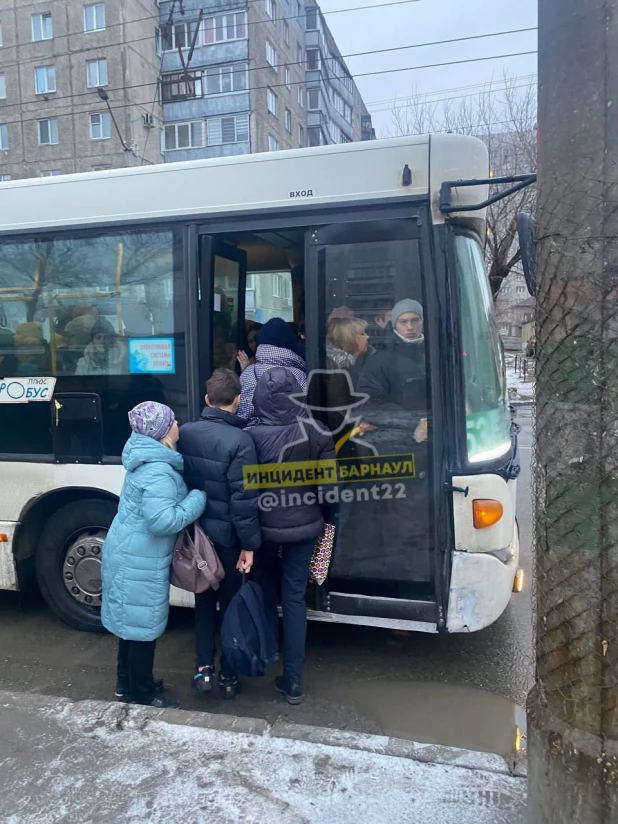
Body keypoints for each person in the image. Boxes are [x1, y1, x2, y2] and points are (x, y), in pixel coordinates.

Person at [101, 401, 206, 709]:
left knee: (129, 625)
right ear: (161, 432)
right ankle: (143, 693)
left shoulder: (144, 460)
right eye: (173, 421)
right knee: (142, 629)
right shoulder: (159, 470)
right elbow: (162, 521)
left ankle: (127, 684)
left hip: (128, 551)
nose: (178, 425)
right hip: (139, 558)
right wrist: (196, 499)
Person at [250, 367, 335, 705]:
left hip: (263, 530)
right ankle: (293, 681)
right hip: (305, 527)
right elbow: (329, 492)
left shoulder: (250, 436)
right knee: (295, 598)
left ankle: (268, 653)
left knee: (266, 590)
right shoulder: (318, 432)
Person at [178, 368, 261, 699]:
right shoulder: (243, 441)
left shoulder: (185, 432)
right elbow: (245, 498)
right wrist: (249, 545)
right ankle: (228, 674)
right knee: (229, 605)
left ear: (207, 400)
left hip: (197, 535)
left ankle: (203, 670)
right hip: (228, 539)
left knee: (202, 601)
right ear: (239, 401)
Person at [358, 299, 428, 444]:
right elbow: (370, 403)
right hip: (399, 441)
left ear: (422, 322)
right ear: (394, 324)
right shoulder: (379, 360)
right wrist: (414, 423)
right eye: (403, 322)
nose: (410, 327)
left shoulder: (438, 353)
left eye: (415, 320)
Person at [238, 317, 307, 428]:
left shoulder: (249, 373)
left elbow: (244, 414)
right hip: (292, 437)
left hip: (257, 437)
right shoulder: (301, 375)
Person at [326, 317, 371, 385]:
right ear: (349, 338)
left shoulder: (366, 359)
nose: (367, 336)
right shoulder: (340, 369)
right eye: (362, 334)